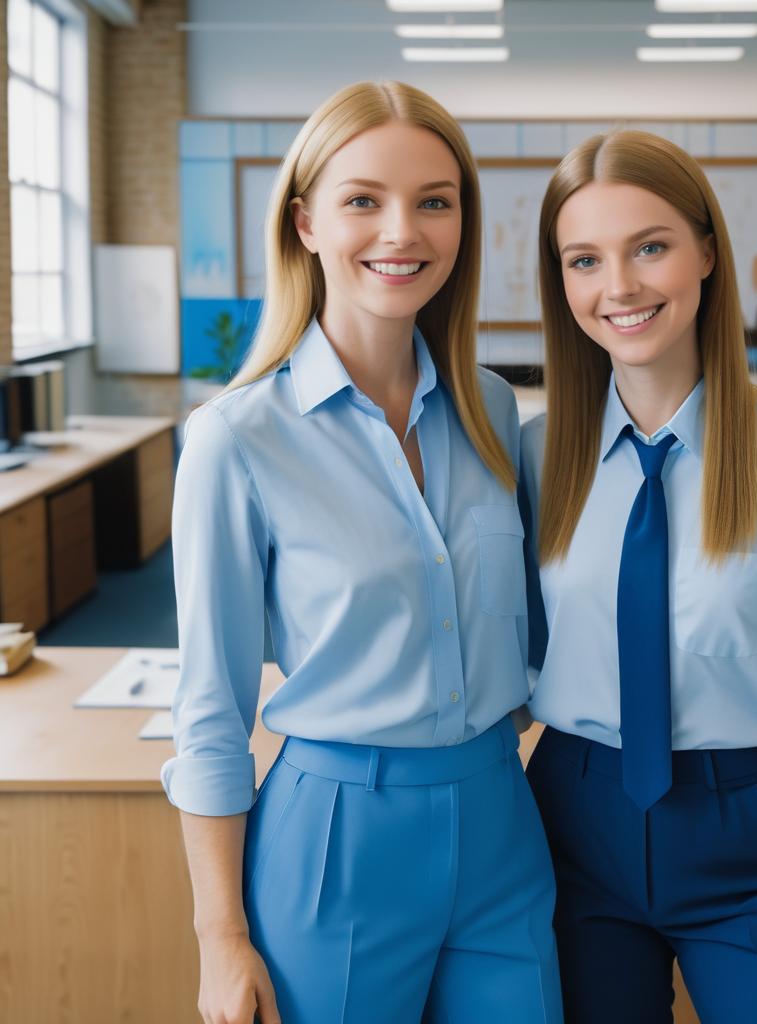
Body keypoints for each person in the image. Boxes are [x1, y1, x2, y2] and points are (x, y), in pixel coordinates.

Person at [163, 80, 562, 1024]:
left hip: (502, 819)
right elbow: (212, 710)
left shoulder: (493, 412)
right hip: (336, 836)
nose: (403, 231)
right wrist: (220, 938)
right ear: (304, 222)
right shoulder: (236, 437)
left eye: (435, 200)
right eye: (362, 200)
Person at [519, 129, 757, 1024]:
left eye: (651, 246)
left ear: (707, 251)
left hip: (740, 830)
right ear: (561, 283)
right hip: (570, 819)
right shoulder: (532, 456)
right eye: (584, 259)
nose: (620, 287)